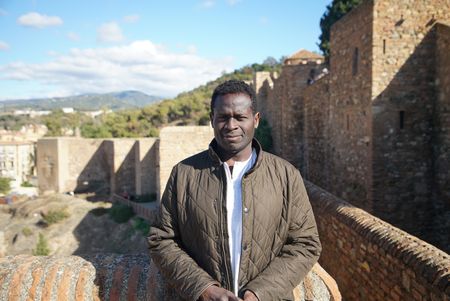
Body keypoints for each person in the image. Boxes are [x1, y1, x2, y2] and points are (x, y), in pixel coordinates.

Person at [148, 80, 321, 301]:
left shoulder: (286, 175)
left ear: (255, 120)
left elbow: (306, 243)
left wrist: (259, 293)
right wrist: (203, 288)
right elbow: (161, 239)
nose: (231, 125)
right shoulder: (184, 174)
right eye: (223, 117)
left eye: (240, 117)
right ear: (212, 119)